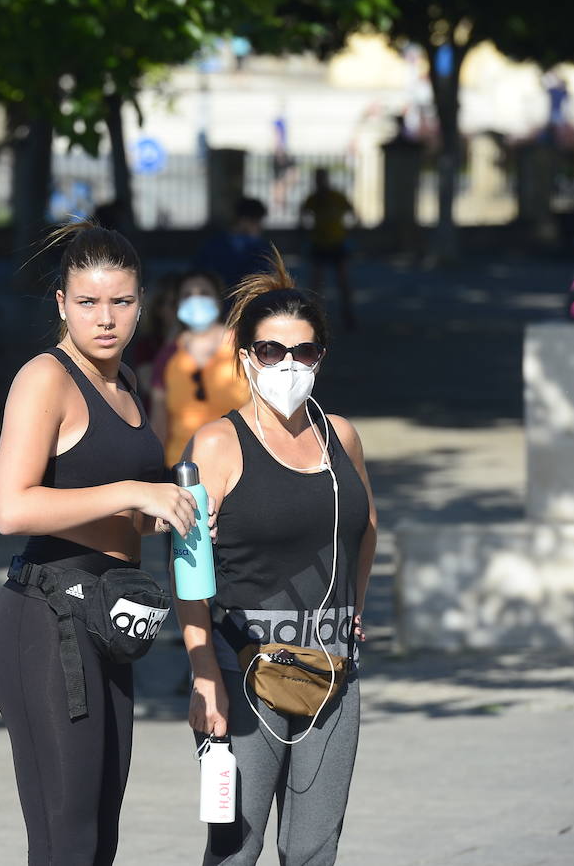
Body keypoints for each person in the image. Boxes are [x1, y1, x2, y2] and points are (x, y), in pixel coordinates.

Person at [0, 220, 197, 865]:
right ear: (62, 304)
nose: (106, 319)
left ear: (141, 303)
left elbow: (109, 504)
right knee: (66, 840)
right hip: (46, 621)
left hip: (109, 618)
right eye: (88, 302)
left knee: (101, 835)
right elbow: (10, 507)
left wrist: (157, 516)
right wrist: (134, 493)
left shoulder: (127, 382)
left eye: (121, 302)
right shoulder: (45, 378)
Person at [178, 251, 377, 865]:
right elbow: (188, 572)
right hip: (245, 677)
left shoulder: (339, 436)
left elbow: (366, 529)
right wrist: (203, 674)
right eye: (271, 351)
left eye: (304, 352)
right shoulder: (217, 444)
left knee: (314, 851)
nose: (287, 365)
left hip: (331, 676)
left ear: (321, 358)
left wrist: (356, 610)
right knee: (235, 850)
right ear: (244, 357)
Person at [148, 270, 249, 467]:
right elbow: (159, 422)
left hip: (238, 465)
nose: (196, 300)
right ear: (178, 305)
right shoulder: (168, 355)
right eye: (187, 295)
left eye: (203, 293)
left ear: (218, 301)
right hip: (181, 469)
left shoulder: (242, 346)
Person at [299, 168, 359, 330]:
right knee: (317, 283)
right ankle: (315, 318)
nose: (319, 182)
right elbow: (302, 214)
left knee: (343, 281)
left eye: (321, 178)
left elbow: (352, 212)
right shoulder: (313, 199)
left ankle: (348, 314)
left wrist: (348, 231)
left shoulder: (336, 197)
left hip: (336, 242)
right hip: (320, 243)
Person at [194, 197, 272, 294]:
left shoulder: (261, 248)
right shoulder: (214, 246)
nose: (260, 228)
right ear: (244, 220)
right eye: (256, 223)